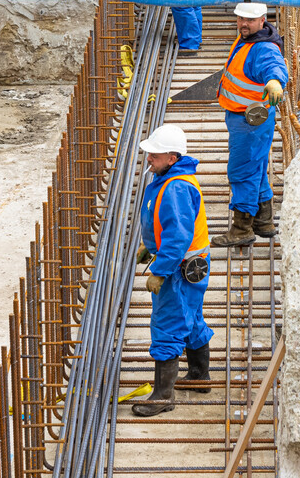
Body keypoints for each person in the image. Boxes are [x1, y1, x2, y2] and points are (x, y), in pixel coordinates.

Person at [131, 122, 213, 418]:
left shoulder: (175, 187)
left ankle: (163, 396)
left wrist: (160, 270)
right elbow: (169, 227)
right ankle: (199, 376)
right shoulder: (172, 179)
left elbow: (178, 237)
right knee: (190, 319)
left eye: (155, 155)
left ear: (172, 158)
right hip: (189, 267)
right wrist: (150, 247)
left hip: (178, 270)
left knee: (167, 325)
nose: (149, 159)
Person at [211, 1, 287, 248]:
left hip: (250, 121)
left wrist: (275, 80)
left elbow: (273, 65)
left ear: (262, 21)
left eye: (250, 21)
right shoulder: (248, 39)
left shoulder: (263, 47)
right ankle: (264, 222)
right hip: (244, 117)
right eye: (240, 19)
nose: (243, 24)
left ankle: (241, 229)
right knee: (257, 167)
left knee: (242, 171)